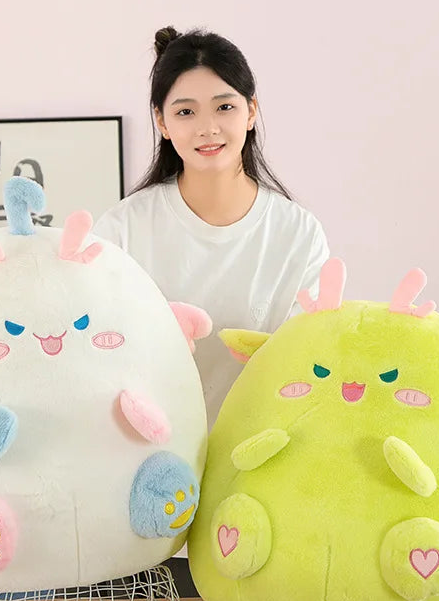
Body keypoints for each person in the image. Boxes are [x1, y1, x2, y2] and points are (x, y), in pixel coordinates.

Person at [94, 26, 330, 430]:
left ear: (251, 111)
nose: (208, 128)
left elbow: (310, 362)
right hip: (146, 448)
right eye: (186, 112)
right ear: (161, 122)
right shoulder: (122, 230)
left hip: (260, 447)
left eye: (224, 107)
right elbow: (96, 357)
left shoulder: (298, 235)